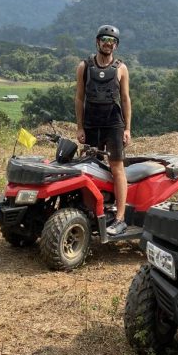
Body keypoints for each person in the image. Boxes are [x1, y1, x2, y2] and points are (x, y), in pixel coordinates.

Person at [75, 25, 132, 235]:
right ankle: (92, 213)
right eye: (105, 39)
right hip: (91, 122)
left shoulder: (121, 68)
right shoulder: (84, 66)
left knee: (117, 167)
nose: (108, 44)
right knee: (88, 167)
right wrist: (80, 126)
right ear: (97, 41)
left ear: (116, 45)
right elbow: (80, 97)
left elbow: (125, 99)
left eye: (112, 41)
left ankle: (120, 217)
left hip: (113, 122)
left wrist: (127, 129)